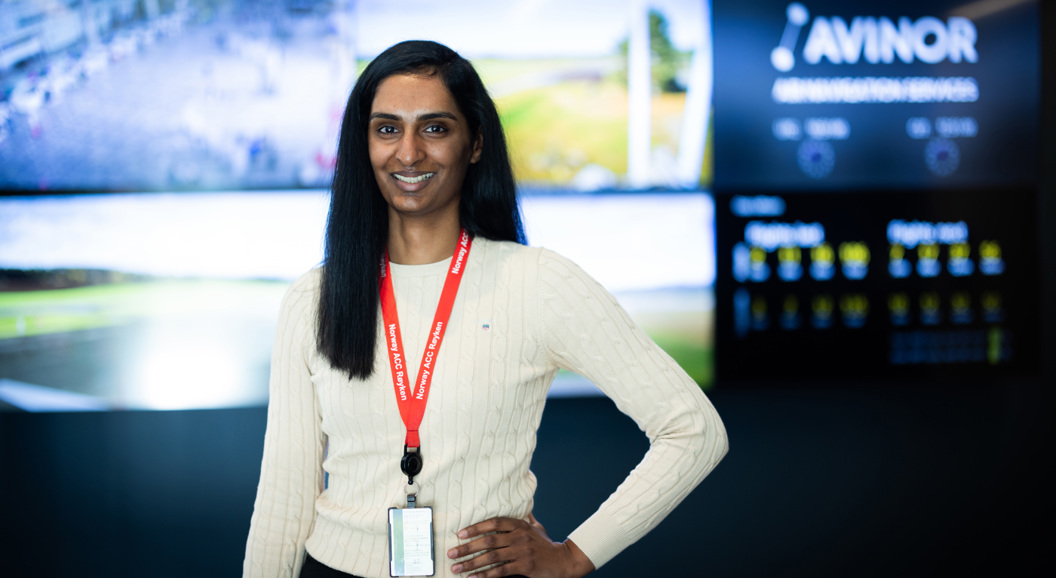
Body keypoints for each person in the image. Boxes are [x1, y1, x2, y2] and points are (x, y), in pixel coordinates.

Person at [244, 40, 727, 578]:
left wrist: (574, 555)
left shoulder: (536, 282)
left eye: (434, 128)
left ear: (474, 144)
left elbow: (694, 431)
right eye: (387, 129)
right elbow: (283, 504)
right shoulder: (314, 297)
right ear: (364, 145)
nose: (408, 153)